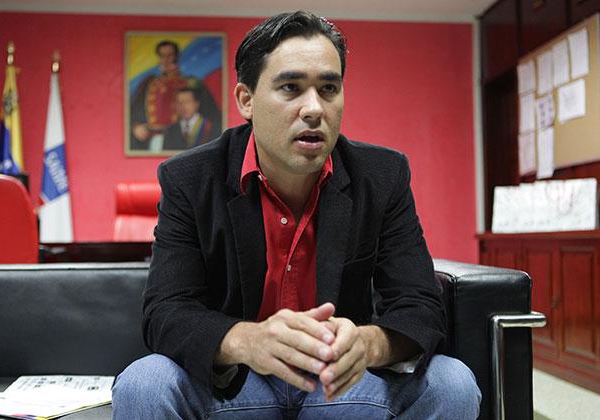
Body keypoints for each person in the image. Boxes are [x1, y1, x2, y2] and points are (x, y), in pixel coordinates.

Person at [113, 11, 481, 419]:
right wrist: (249, 340)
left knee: (452, 382)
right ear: (246, 100)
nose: (314, 109)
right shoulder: (190, 179)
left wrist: (368, 344)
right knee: (144, 383)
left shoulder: (382, 176)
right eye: (291, 87)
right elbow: (166, 311)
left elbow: (420, 304)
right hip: (237, 384)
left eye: (329, 88)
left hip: (341, 386)